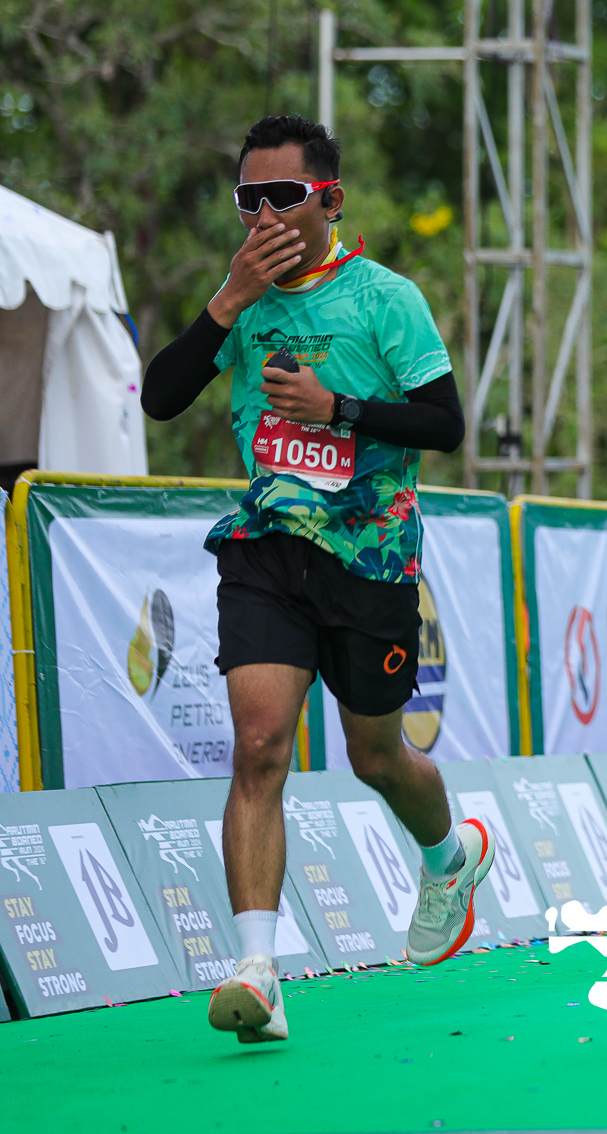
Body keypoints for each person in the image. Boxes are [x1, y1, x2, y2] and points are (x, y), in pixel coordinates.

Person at [140, 115, 493, 1045]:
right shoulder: (244, 306)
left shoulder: (386, 298)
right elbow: (160, 398)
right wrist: (227, 300)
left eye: (282, 197)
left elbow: (446, 425)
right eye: (247, 200)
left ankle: (449, 857)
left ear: (328, 201)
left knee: (376, 756)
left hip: (369, 559)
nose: (263, 216)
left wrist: (338, 408)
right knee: (259, 747)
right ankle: (257, 972)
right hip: (265, 551)